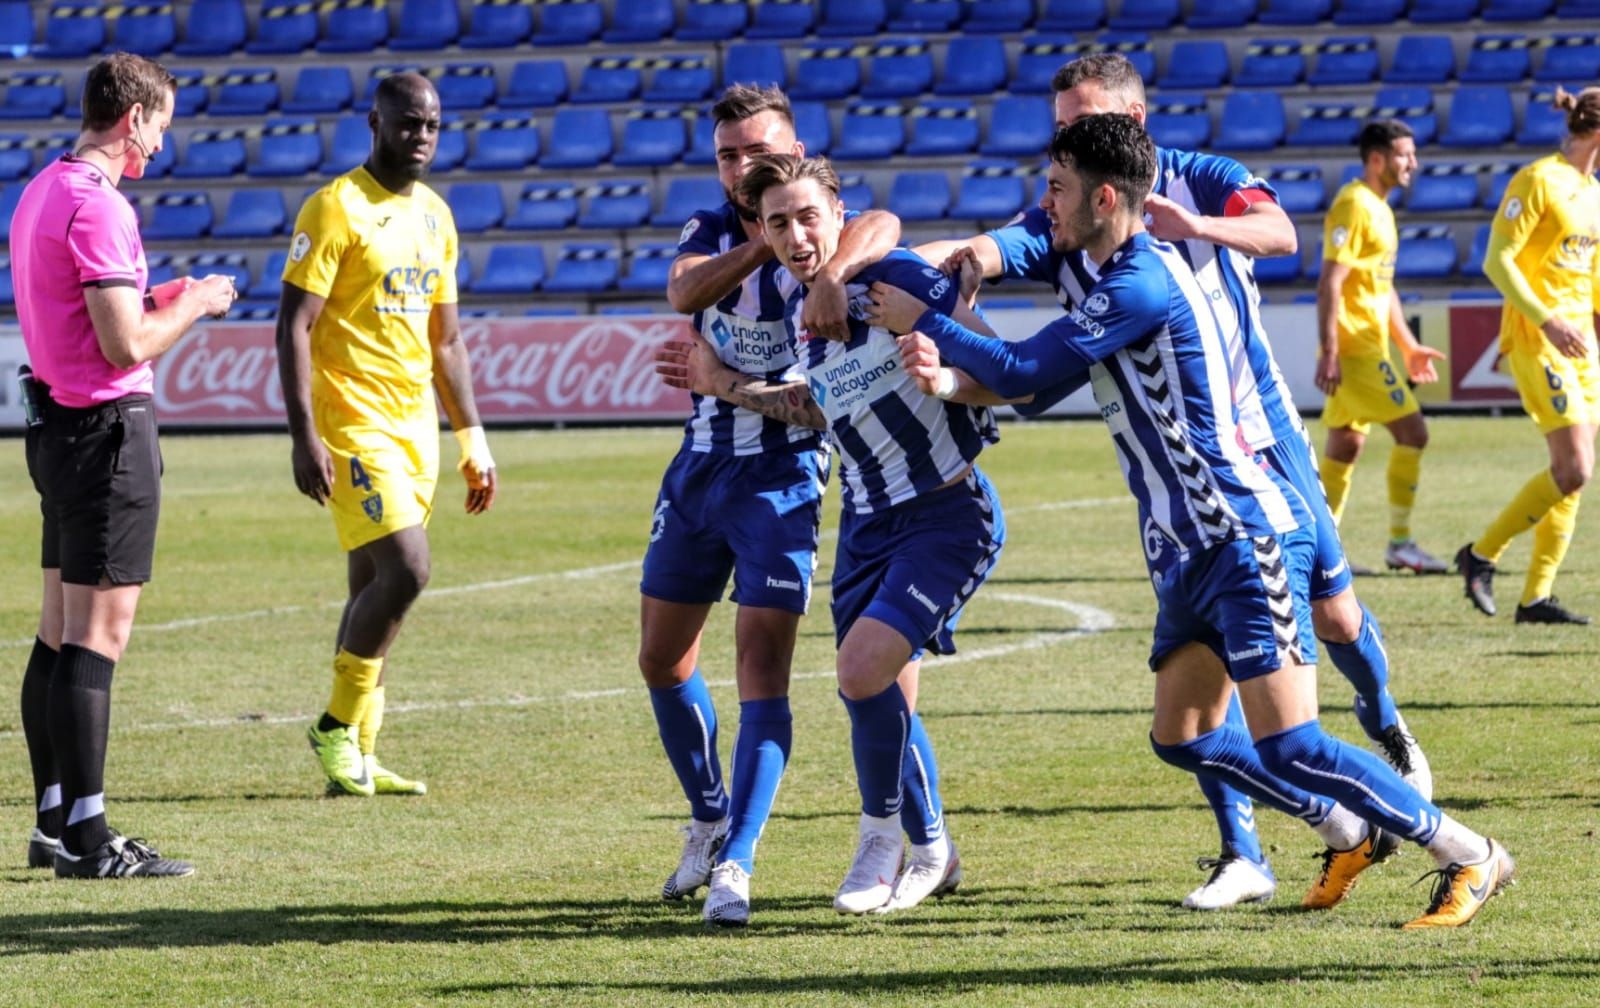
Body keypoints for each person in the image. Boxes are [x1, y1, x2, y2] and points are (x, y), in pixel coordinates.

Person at [873, 113, 1514, 930]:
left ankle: (1468, 853)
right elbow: (1029, 381)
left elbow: (1029, 370)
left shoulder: (1140, 280)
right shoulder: (1117, 276)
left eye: (1058, 189)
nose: (1045, 204)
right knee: (1182, 734)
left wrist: (924, 320)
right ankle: (1348, 828)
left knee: (1293, 743)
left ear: (1106, 197)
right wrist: (951, 379)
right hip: (1187, 549)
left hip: (1241, 533)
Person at [657, 152, 1004, 917]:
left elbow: (1009, 374)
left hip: (946, 515)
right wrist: (726, 386)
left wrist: (945, 375)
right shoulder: (801, 319)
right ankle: (929, 848)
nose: (793, 235)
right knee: (865, 687)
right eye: (777, 222)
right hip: (867, 525)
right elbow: (819, 409)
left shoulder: (898, 281)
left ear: (839, 219)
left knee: (859, 671)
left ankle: (887, 840)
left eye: (808, 217)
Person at [642, 84, 901, 927]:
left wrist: (826, 268)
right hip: (700, 468)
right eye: (726, 156)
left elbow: (883, 225)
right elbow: (682, 294)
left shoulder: (824, 231)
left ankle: (740, 863)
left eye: (756, 152)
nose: (740, 167)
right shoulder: (720, 233)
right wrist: (758, 243)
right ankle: (710, 815)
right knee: (661, 659)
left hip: (783, 479)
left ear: (791, 149)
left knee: (763, 670)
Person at [13, 52, 235, 879]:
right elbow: (125, 346)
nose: (160, 147)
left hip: (59, 431)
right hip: (106, 434)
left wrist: (155, 296)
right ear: (134, 116)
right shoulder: (99, 205)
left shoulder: (43, 187)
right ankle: (92, 838)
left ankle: (51, 823)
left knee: (57, 632)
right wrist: (195, 304)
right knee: (97, 641)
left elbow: (86, 314)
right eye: (161, 127)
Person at [275, 72, 497, 800]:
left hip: (414, 430)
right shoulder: (335, 208)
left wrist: (472, 437)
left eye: (432, 123)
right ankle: (336, 728)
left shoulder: (436, 216)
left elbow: (448, 341)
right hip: (350, 424)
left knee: (373, 586)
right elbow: (294, 326)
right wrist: (304, 435)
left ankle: (362, 756)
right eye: (409, 123)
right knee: (408, 570)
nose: (423, 135)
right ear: (375, 123)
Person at [1457, 86, 1600, 626]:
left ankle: (1535, 598)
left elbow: (1592, 277)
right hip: (1541, 337)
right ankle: (1481, 555)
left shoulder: (1593, 193)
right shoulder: (1539, 179)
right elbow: (1498, 261)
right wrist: (1550, 320)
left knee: (1573, 475)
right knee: (1575, 465)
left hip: (1582, 343)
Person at [1317, 119, 1449, 576]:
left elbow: (1381, 286)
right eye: (1404, 154)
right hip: (1355, 349)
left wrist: (1408, 345)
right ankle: (1400, 543)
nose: (1412, 162)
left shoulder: (1379, 207)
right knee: (1414, 433)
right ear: (1377, 159)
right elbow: (1330, 283)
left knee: (1345, 447)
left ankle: (1319, 555)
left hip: (1369, 346)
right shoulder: (1353, 204)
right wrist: (1330, 350)